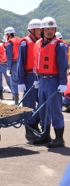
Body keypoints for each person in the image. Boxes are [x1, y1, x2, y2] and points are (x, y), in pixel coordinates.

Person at [32, 17, 68, 148]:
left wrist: (63, 82)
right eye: (47, 29)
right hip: (42, 81)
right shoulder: (38, 44)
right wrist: (37, 80)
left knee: (55, 110)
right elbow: (36, 63)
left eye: (52, 29)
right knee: (43, 110)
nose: (50, 31)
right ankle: (45, 135)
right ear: (41, 30)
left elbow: (63, 65)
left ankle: (59, 139)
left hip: (54, 81)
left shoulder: (59, 45)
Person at [17, 19, 42, 140]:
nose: (41, 32)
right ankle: (29, 131)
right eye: (39, 30)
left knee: (42, 103)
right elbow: (20, 64)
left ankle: (35, 124)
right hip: (28, 76)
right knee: (29, 105)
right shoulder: (24, 43)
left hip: (40, 76)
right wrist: (20, 81)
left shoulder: (42, 42)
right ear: (32, 30)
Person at [5, 26, 21, 104]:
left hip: (15, 63)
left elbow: (9, 57)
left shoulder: (10, 43)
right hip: (22, 62)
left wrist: (8, 68)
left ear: (8, 34)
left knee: (14, 82)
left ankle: (16, 101)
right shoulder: (20, 40)